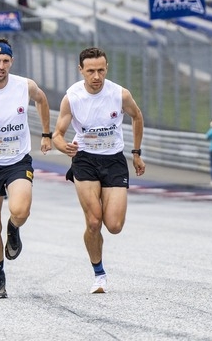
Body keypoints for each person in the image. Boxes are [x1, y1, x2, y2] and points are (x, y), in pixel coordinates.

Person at [52, 47, 146, 294]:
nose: (96, 76)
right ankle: (99, 274)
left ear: (107, 69)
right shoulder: (72, 97)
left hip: (114, 159)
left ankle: (107, 217)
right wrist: (64, 147)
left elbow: (137, 117)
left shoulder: (119, 94)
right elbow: (57, 135)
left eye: (101, 70)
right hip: (85, 160)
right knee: (94, 222)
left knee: (113, 225)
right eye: (91, 71)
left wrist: (136, 153)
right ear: (80, 70)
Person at [0, 38, 53, 299]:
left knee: (21, 210)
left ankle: (14, 228)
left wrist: (46, 134)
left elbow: (43, 100)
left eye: (5, 61)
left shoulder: (24, 86)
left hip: (17, 160)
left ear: (11, 62)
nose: (1, 66)